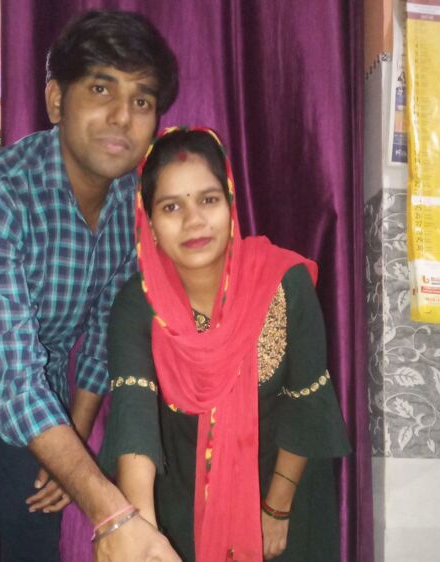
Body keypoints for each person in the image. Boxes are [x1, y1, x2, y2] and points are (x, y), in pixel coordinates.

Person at [0, 10, 181, 562]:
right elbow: (13, 378)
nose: (122, 116)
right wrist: (113, 513)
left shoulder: (133, 204)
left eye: (142, 100)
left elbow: (102, 335)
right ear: (56, 100)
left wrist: (73, 437)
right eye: (100, 88)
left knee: (35, 535)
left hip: (38, 377)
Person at [99, 127, 351, 561]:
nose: (193, 221)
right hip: (181, 500)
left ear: (231, 204)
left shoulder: (283, 283)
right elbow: (133, 415)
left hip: (284, 493)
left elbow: (307, 402)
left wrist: (276, 508)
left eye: (208, 200)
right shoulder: (138, 303)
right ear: (149, 223)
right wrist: (141, 527)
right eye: (171, 207)